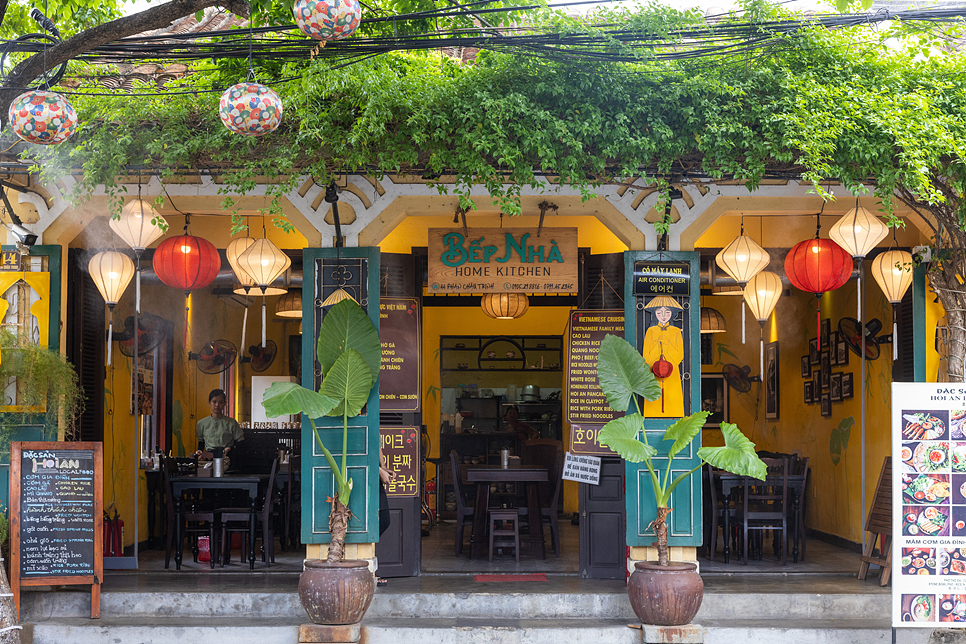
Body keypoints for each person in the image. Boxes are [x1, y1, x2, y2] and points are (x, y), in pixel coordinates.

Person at [642, 296, 684, 417]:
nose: (663, 315)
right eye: (659, 312)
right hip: (653, 369)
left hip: (672, 370)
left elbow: (679, 354)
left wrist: (666, 343)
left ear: (672, 313)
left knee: (673, 395)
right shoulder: (650, 330)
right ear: (655, 314)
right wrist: (657, 349)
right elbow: (646, 354)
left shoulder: (676, 331)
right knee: (654, 395)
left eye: (667, 312)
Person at [195, 389, 245, 456]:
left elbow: (240, 441)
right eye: (214, 402)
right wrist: (199, 451)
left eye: (220, 402)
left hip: (227, 456)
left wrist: (230, 448)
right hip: (210, 457)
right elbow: (201, 441)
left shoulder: (231, 422)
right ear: (209, 403)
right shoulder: (201, 423)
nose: (217, 405)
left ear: (225, 403)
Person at [376, 446, 395, 586]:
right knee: (375, 522)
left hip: (376, 472)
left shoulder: (374, 424)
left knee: (384, 520)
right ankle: (370, 569)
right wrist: (379, 470)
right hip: (365, 473)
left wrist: (383, 467)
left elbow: (377, 446)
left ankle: (369, 566)